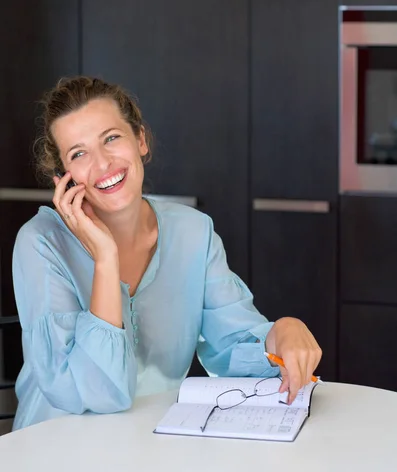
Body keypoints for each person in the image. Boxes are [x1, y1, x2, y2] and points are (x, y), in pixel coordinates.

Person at [12, 76, 322, 430]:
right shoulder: (40, 243)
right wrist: (105, 259)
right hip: (55, 448)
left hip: (157, 444)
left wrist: (282, 331)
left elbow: (233, 349)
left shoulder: (193, 232)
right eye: (79, 154)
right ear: (63, 177)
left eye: (111, 138)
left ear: (140, 140)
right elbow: (95, 395)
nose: (102, 164)